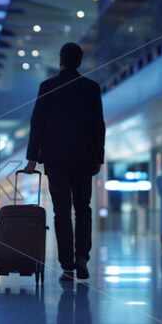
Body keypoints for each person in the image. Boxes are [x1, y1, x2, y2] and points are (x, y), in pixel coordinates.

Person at [23, 42, 105, 281]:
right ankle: (82, 258)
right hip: (83, 159)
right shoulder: (91, 88)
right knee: (83, 209)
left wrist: (31, 159)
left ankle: (67, 264)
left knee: (61, 211)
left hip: (56, 159)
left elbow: (37, 123)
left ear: (61, 60)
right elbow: (98, 126)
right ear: (79, 61)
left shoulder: (47, 86)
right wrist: (98, 157)